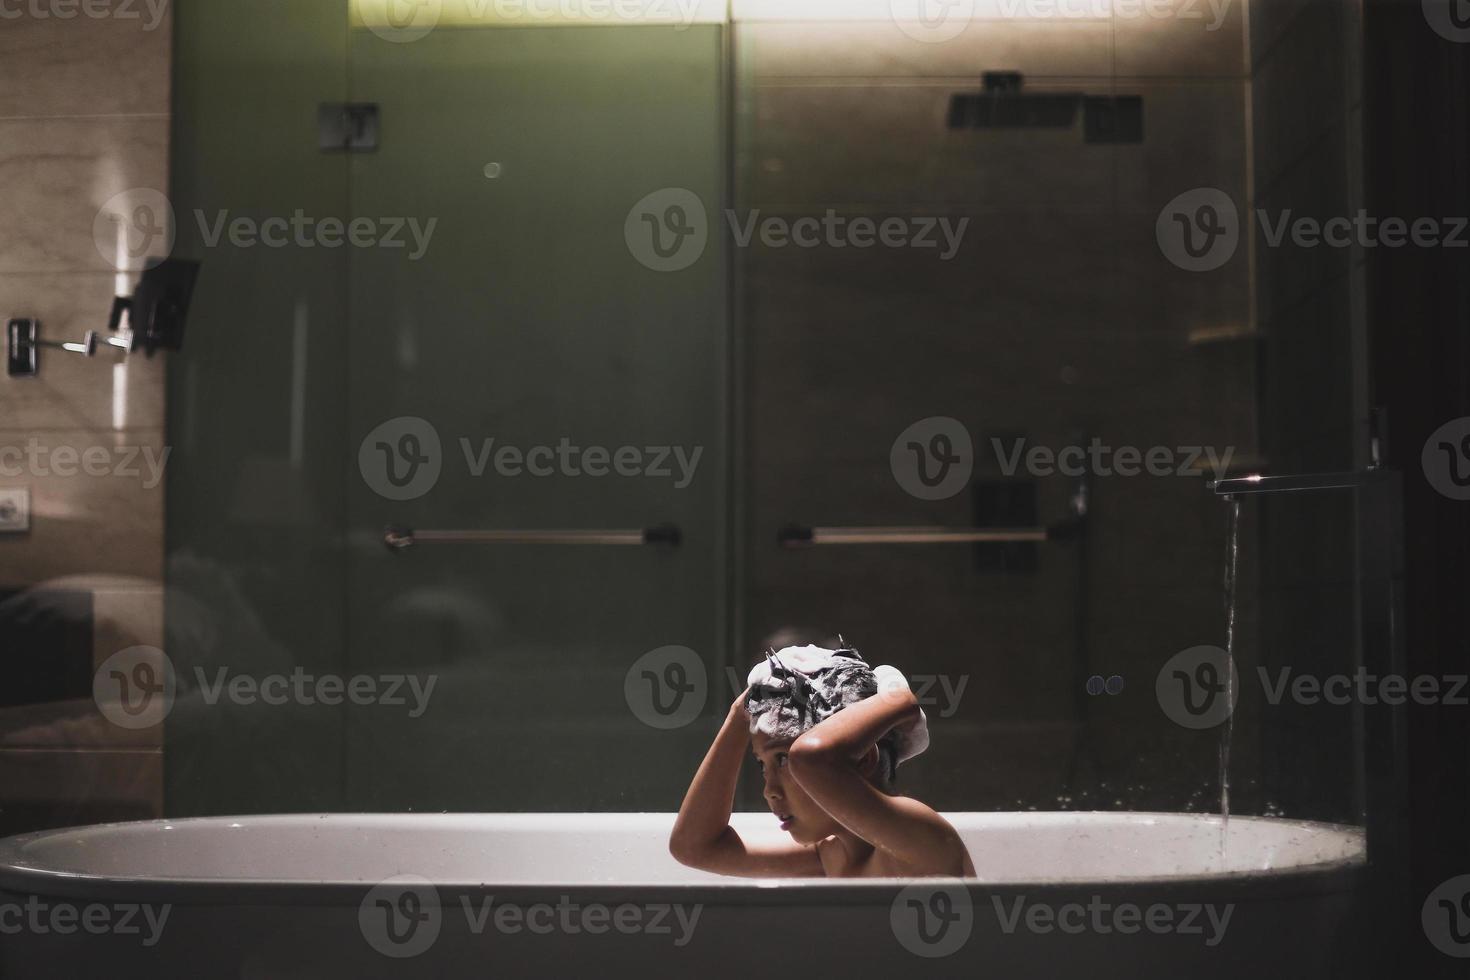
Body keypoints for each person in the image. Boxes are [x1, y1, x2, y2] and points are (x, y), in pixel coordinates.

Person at [669, 644, 974, 878]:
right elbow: (693, 847)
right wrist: (741, 710)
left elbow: (812, 759)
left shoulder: (922, 838)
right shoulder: (831, 855)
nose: (769, 791)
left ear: (863, 758)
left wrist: (898, 699)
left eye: (783, 759)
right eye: (763, 765)